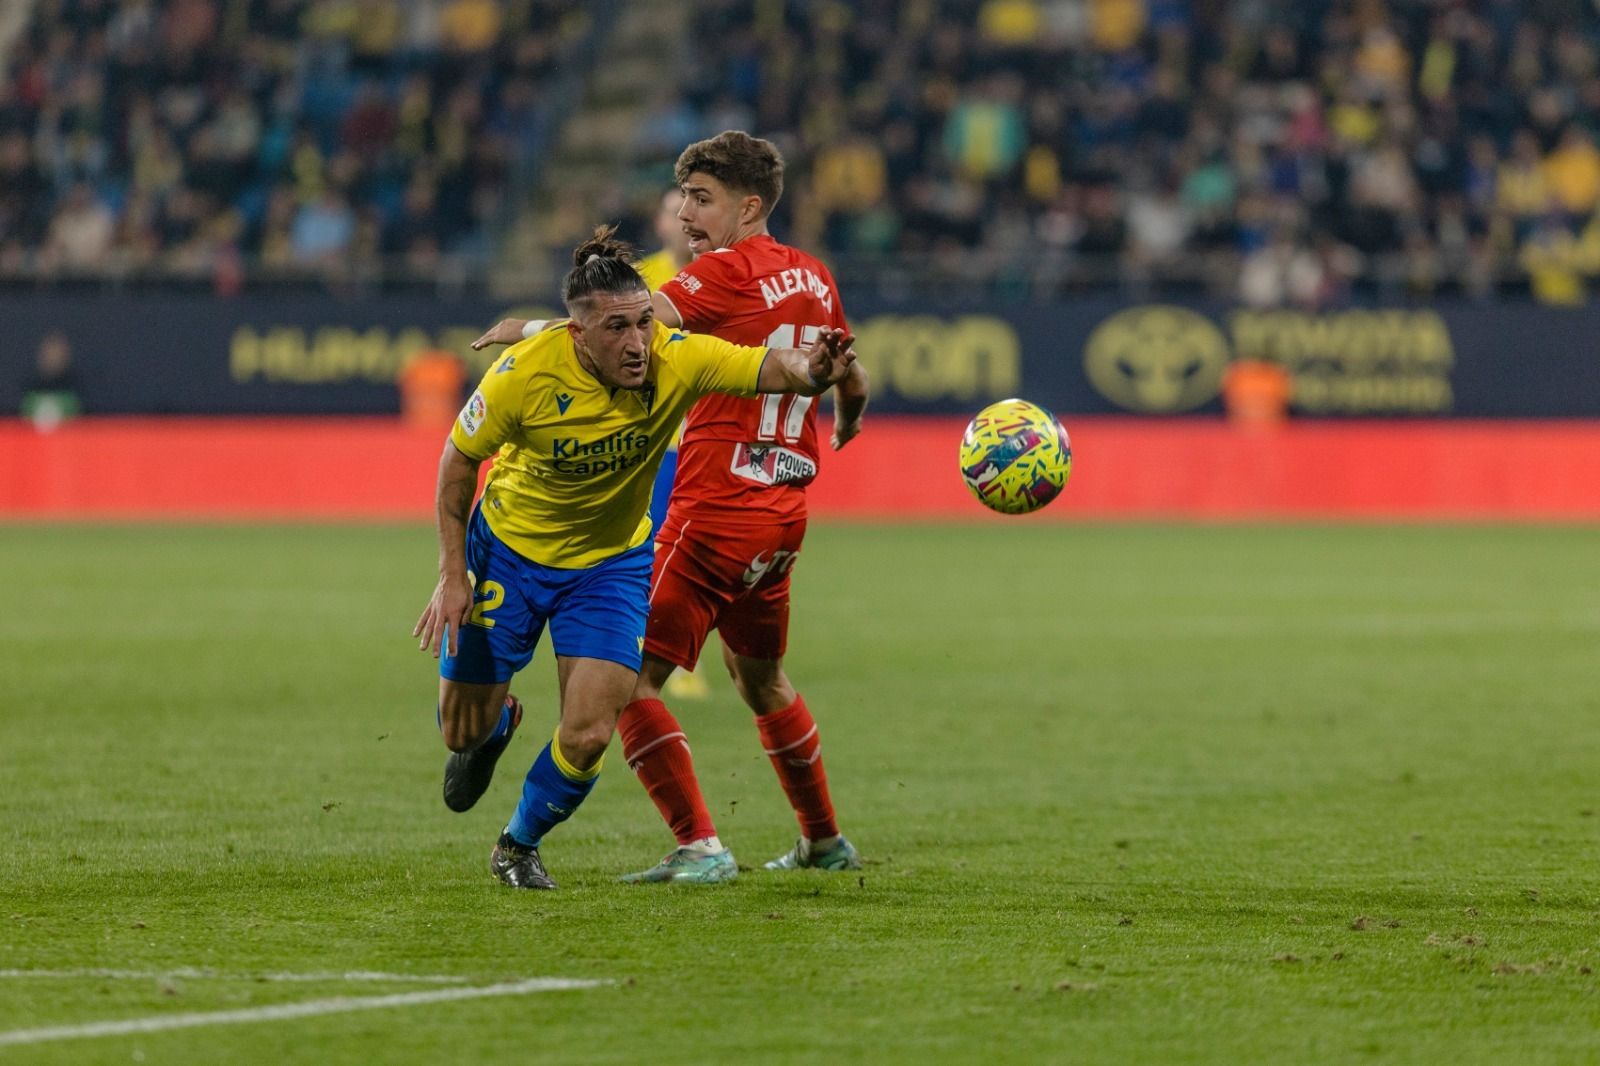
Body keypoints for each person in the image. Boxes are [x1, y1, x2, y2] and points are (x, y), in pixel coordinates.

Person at [473, 131, 871, 884]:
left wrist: (522, 330)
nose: (685, 212)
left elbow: (626, 319)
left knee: (625, 680)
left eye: (701, 198)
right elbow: (849, 375)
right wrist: (846, 419)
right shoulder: (813, 275)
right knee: (762, 680)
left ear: (747, 207)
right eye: (683, 195)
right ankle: (823, 842)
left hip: (716, 505)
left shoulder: (724, 272)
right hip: (783, 511)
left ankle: (700, 844)